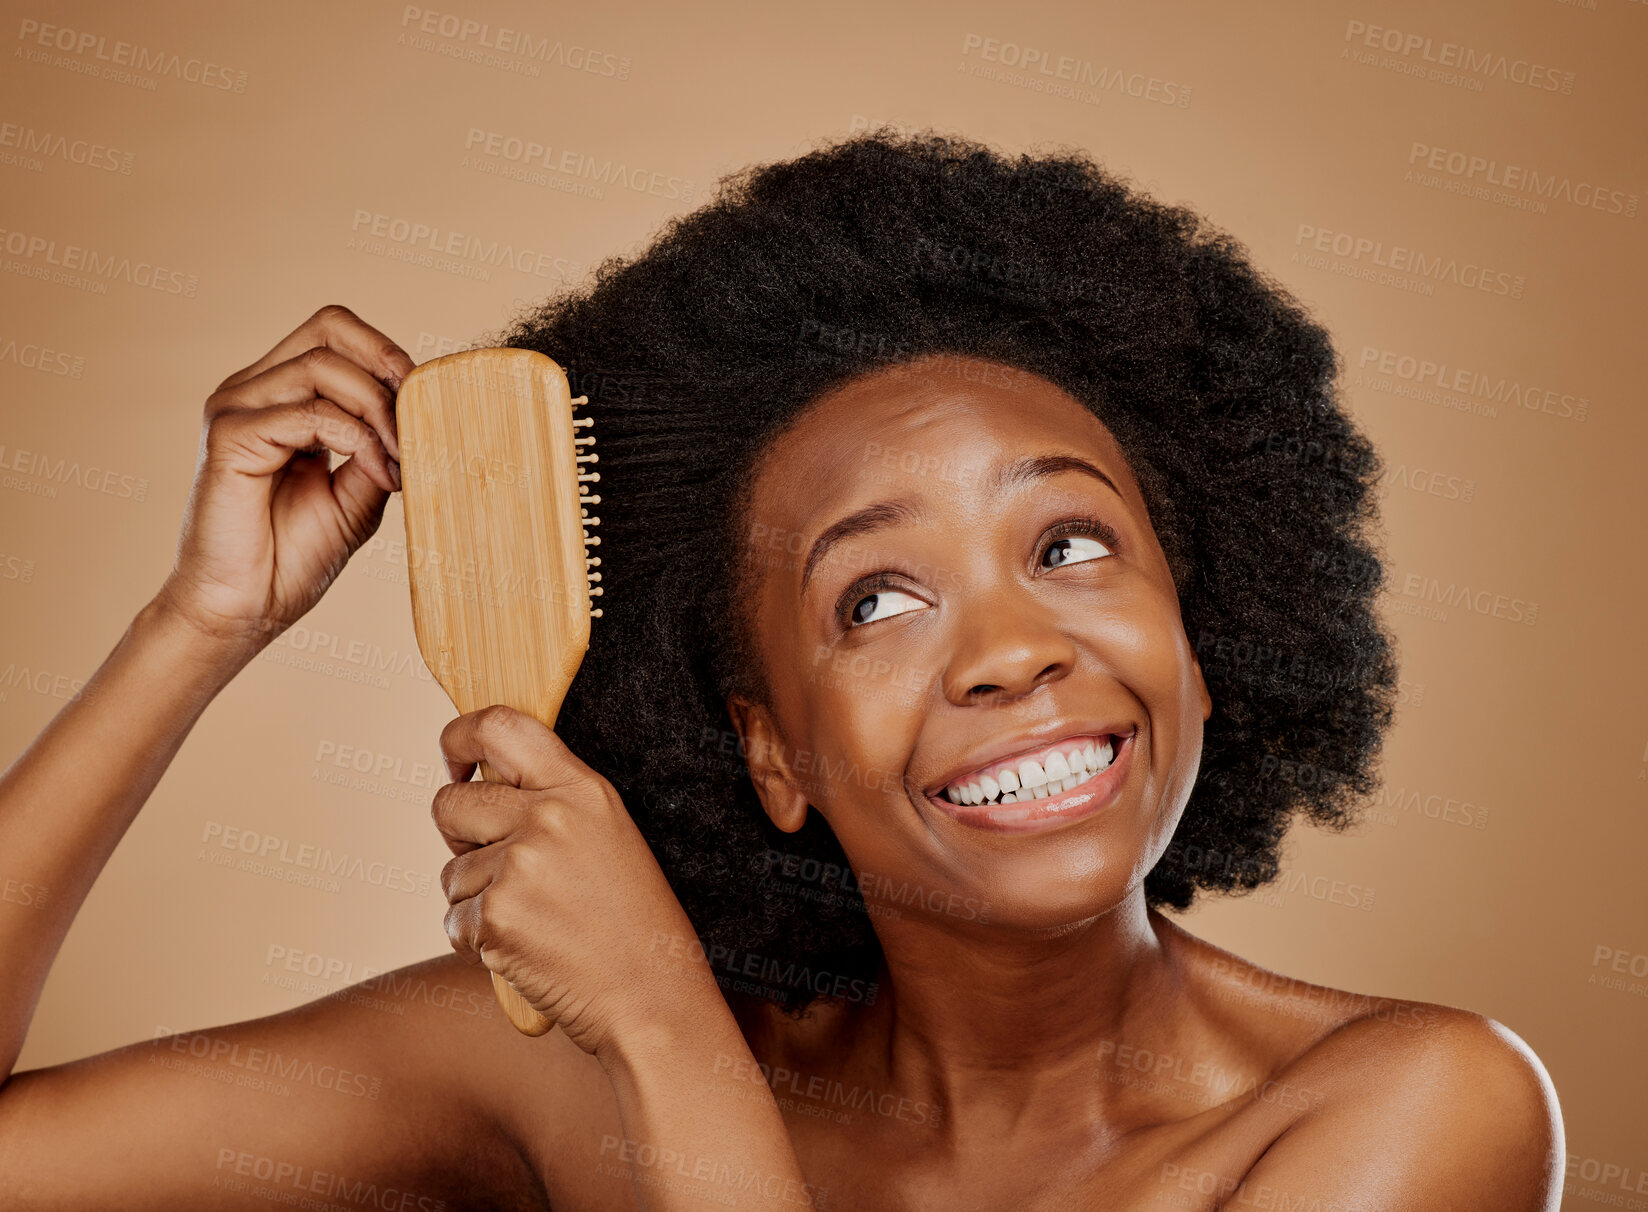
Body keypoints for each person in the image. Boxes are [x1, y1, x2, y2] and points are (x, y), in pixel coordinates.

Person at [0, 130, 1561, 1210]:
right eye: (877, 599)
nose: (1015, 651)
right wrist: (198, 626)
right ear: (769, 752)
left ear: (1203, 637)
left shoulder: (1412, 1110)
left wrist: (668, 1039)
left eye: (1072, 548)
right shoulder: (549, 1068)